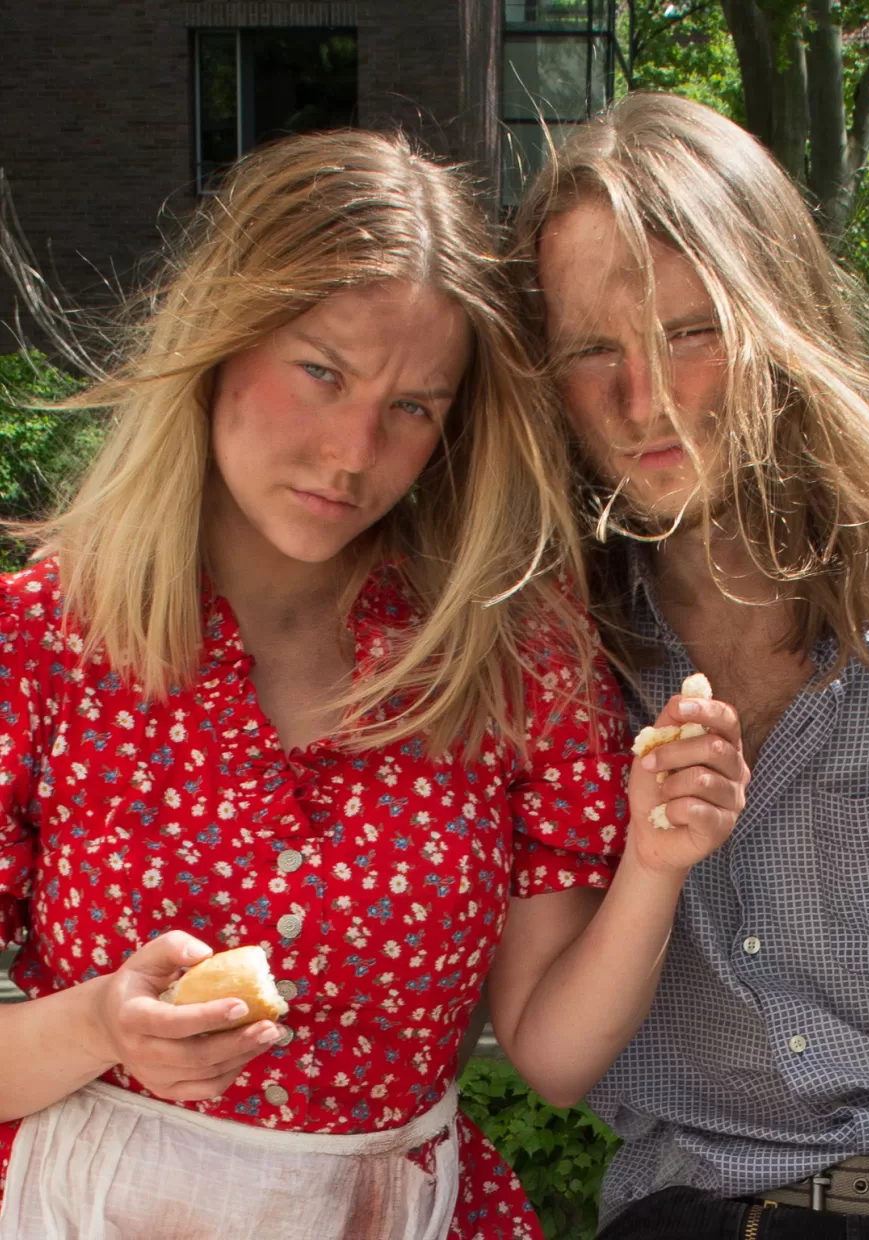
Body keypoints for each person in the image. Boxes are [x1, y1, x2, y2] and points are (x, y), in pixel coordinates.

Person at [0, 128, 751, 1239]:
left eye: (413, 407)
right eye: (323, 373)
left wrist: (654, 858)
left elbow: (549, 1056)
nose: (353, 450)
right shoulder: (44, 638)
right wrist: (104, 1025)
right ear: (221, 343)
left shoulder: (507, 647)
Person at [515, 91, 869, 1240]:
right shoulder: (558, 653)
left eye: (688, 331)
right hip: (697, 1216)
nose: (645, 398)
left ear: (779, 316)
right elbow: (548, 1046)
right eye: (591, 351)